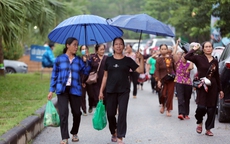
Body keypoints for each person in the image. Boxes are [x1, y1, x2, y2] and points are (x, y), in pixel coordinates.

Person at [99, 37, 144, 144]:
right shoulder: (108, 60)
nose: (118, 46)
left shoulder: (128, 60)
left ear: (123, 46)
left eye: (120, 44)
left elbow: (140, 70)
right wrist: (101, 91)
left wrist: (141, 58)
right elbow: (105, 76)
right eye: (116, 44)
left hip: (124, 91)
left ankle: (120, 136)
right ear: (113, 46)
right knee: (110, 114)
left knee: (122, 113)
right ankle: (113, 132)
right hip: (110, 90)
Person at [47, 37, 91, 144]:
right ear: (68, 45)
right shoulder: (59, 59)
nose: (76, 47)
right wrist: (51, 90)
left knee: (77, 113)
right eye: (74, 45)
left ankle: (74, 132)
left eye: (77, 45)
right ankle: (64, 137)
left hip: (75, 89)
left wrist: (87, 61)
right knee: (63, 113)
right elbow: (54, 75)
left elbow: (86, 72)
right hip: (62, 89)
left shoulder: (79, 60)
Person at [184, 41, 224, 136]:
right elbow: (187, 57)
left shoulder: (215, 61)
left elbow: (217, 76)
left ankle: (208, 128)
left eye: (210, 46)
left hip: (213, 87)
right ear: (203, 48)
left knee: (211, 109)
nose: (208, 48)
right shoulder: (199, 58)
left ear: (212, 48)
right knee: (201, 107)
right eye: (206, 47)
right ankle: (199, 122)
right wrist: (194, 49)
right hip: (202, 86)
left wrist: (220, 89)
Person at [172, 40, 194, 120]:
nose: (184, 57)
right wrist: (177, 44)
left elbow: (190, 68)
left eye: (186, 56)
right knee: (180, 98)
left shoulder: (189, 64)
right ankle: (181, 113)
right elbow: (174, 54)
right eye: (183, 55)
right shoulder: (178, 62)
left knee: (187, 99)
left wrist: (191, 57)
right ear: (181, 56)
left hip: (188, 83)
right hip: (179, 82)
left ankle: (186, 114)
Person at [155, 44, 176, 117]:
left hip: (171, 79)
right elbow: (157, 70)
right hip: (162, 79)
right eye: (162, 49)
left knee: (170, 94)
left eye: (165, 49)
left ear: (167, 50)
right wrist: (158, 80)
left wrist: (177, 77)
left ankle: (168, 110)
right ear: (160, 50)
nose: (163, 50)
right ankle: (163, 105)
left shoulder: (170, 58)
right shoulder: (158, 59)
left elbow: (174, 68)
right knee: (163, 94)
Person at [79, 45, 94, 116]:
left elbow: (93, 66)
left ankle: (91, 106)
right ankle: (84, 110)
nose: (84, 50)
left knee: (91, 95)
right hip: (82, 78)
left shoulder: (91, 58)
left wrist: (87, 60)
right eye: (82, 49)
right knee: (82, 95)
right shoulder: (79, 59)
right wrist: (82, 81)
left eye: (85, 49)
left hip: (89, 79)